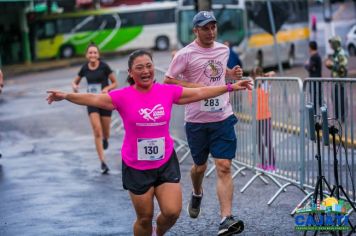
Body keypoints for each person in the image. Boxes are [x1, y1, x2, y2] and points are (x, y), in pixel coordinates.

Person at [47, 49, 252, 236]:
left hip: (165, 162)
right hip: (136, 166)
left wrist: (230, 87)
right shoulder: (122, 96)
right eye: (139, 68)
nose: (145, 71)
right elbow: (92, 98)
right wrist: (65, 95)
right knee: (144, 218)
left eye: (149, 66)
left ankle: (158, 233)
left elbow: (200, 93)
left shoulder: (166, 91)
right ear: (130, 72)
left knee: (172, 212)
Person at [164, 11, 246, 235]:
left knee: (224, 166)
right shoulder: (185, 54)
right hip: (196, 120)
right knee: (199, 166)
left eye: (213, 27)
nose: (210, 32)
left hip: (222, 117)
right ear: (195, 30)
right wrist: (198, 89)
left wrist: (232, 74)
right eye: (205, 28)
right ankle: (197, 191)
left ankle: (226, 219)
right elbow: (168, 81)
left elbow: (219, 76)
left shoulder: (223, 49)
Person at [72, 43, 118, 174]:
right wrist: (74, 86)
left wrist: (107, 88)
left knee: (105, 131)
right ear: (87, 55)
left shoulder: (104, 66)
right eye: (90, 53)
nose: (92, 55)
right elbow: (75, 81)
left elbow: (115, 82)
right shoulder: (84, 68)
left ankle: (106, 139)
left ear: (98, 55)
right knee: (97, 130)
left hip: (104, 101)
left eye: (95, 53)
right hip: (91, 101)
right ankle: (102, 162)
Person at [248, 67, 276, 171]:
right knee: (259, 142)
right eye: (254, 75)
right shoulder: (251, 85)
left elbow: (273, 73)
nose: (256, 77)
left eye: (258, 75)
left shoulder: (265, 85)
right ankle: (263, 163)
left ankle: (272, 164)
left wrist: (264, 76)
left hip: (266, 117)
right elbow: (248, 79)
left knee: (268, 141)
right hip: (256, 118)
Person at [324, 36, 348, 122]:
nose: (330, 45)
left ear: (335, 44)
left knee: (340, 99)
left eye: (331, 43)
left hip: (340, 81)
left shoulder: (341, 53)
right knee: (334, 98)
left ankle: (342, 117)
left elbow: (343, 68)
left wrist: (332, 65)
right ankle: (338, 117)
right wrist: (330, 66)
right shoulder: (335, 54)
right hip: (336, 81)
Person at [304, 41, 322, 113]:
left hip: (314, 80)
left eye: (309, 47)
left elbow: (309, 67)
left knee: (314, 99)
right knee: (319, 98)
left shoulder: (314, 56)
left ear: (311, 47)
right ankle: (321, 115)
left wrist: (306, 64)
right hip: (317, 79)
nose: (308, 49)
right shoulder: (317, 56)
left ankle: (315, 116)